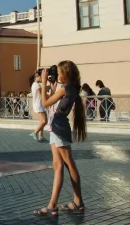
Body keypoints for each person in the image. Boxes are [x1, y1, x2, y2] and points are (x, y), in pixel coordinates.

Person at [33, 60, 87, 217]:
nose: (56, 74)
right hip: (56, 126)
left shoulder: (66, 89)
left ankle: (77, 202)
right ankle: (54, 205)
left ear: (65, 73)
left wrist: (43, 82)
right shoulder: (69, 88)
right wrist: (49, 86)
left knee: (69, 164)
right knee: (59, 166)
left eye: (59, 72)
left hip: (58, 127)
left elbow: (45, 102)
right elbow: (51, 100)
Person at [30, 70, 47, 142]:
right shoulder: (37, 85)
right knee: (44, 121)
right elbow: (41, 95)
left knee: (42, 121)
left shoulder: (34, 84)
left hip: (39, 105)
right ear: (39, 77)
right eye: (41, 77)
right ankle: (35, 133)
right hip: (39, 105)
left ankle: (41, 136)